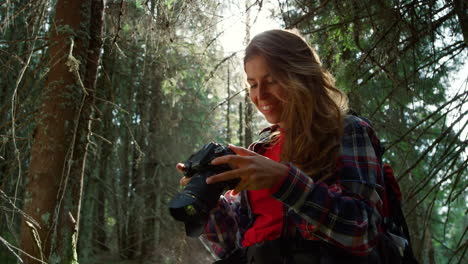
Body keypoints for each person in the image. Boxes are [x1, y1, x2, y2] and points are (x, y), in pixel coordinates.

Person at [178, 29, 387, 264]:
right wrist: (209, 200)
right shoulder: (260, 151)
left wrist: (284, 182)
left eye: (271, 81)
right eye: (253, 84)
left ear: (301, 75)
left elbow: (363, 230)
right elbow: (231, 243)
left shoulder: (346, 130)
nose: (261, 94)